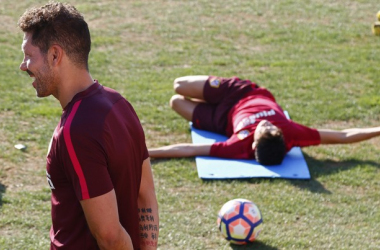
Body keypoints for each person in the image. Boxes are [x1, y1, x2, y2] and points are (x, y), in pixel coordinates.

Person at [18, 2, 158, 249]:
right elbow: (145, 195)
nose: (23, 66)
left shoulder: (76, 131)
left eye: (29, 56)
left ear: (54, 55)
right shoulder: (119, 103)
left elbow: (109, 235)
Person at [149, 75, 380, 165]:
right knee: (179, 85)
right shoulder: (289, 132)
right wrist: (378, 129)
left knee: (175, 101)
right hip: (241, 93)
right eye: (271, 126)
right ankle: (210, 91)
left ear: (253, 144)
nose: (267, 124)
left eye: (264, 129)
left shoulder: (237, 146)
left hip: (222, 120)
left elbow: (189, 149)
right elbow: (342, 136)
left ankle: (207, 99)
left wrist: (149, 153)